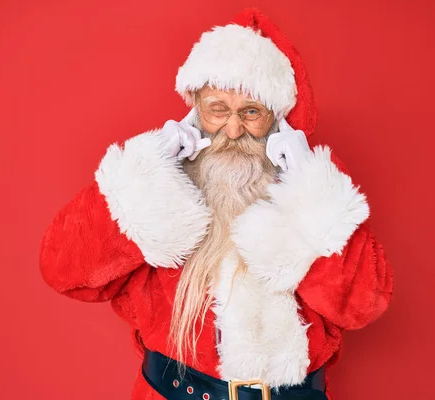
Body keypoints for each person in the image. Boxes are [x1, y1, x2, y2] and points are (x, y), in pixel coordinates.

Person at [39, 7, 394, 400]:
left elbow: (363, 305)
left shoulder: (313, 185)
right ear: (195, 107)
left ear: (279, 119)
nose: (233, 129)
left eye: (252, 112)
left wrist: (309, 187)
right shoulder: (161, 179)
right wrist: (146, 171)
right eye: (218, 109)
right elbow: (65, 272)